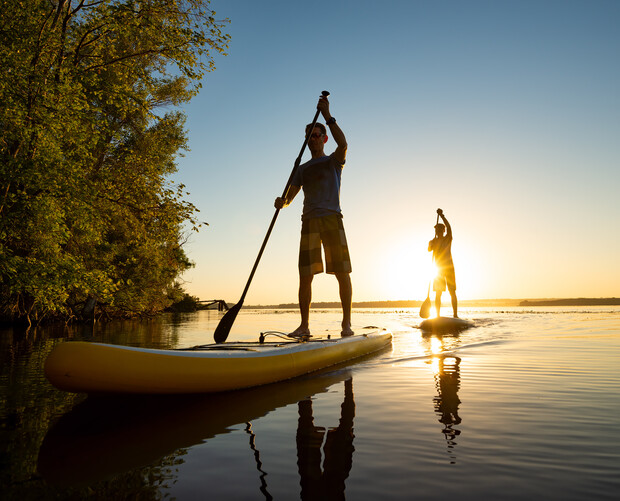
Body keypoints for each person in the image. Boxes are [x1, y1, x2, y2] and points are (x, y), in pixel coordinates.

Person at [275, 95, 353, 338]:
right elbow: (291, 196)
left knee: (342, 273)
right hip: (309, 222)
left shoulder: (334, 161)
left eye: (317, 135)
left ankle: (346, 325)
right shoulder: (301, 168)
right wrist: (283, 202)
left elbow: (344, 144)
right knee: (305, 276)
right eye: (309, 136)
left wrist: (328, 115)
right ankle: (304, 326)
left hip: (332, 219)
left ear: (324, 138)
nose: (313, 139)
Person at [428, 208, 458, 318]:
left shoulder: (448, 238)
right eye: (437, 230)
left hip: (449, 268)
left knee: (452, 292)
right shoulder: (433, 241)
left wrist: (442, 216)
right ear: (435, 231)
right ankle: (437, 316)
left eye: (440, 230)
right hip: (438, 269)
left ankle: (455, 315)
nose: (438, 232)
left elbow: (449, 227)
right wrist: (431, 244)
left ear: (443, 231)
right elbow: (429, 249)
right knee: (438, 293)